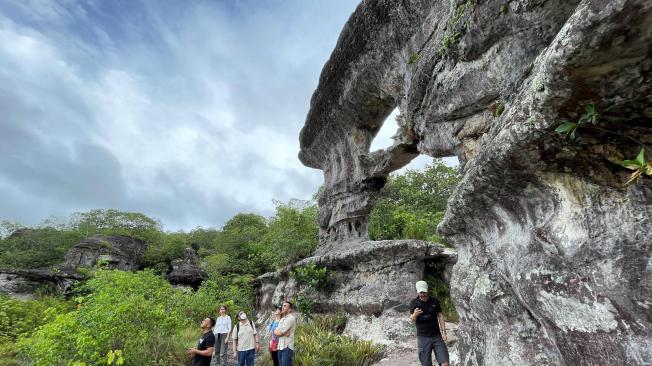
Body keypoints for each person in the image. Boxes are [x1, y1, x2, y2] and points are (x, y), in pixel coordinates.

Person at [409, 280, 449, 366]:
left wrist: (443, 332)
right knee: (426, 364)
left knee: (445, 363)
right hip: (423, 338)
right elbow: (412, 319)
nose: (423, 294)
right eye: (421, 293)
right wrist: (415, 314)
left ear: (427, 290)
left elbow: (440, 316)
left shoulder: (434, 301)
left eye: (424, 292)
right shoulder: (414, 303)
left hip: (437, 336)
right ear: (418, 291)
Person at [273, 301, 296, 366]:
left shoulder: (291, 318)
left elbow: (279, 333)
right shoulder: (282, 319)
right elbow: (275, 332)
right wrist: (281, 332)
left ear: (290, 309)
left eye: (285, 306)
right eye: (283, 306)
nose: (282, 307)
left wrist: (279, 332)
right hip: (280, 346)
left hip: (287, 347)